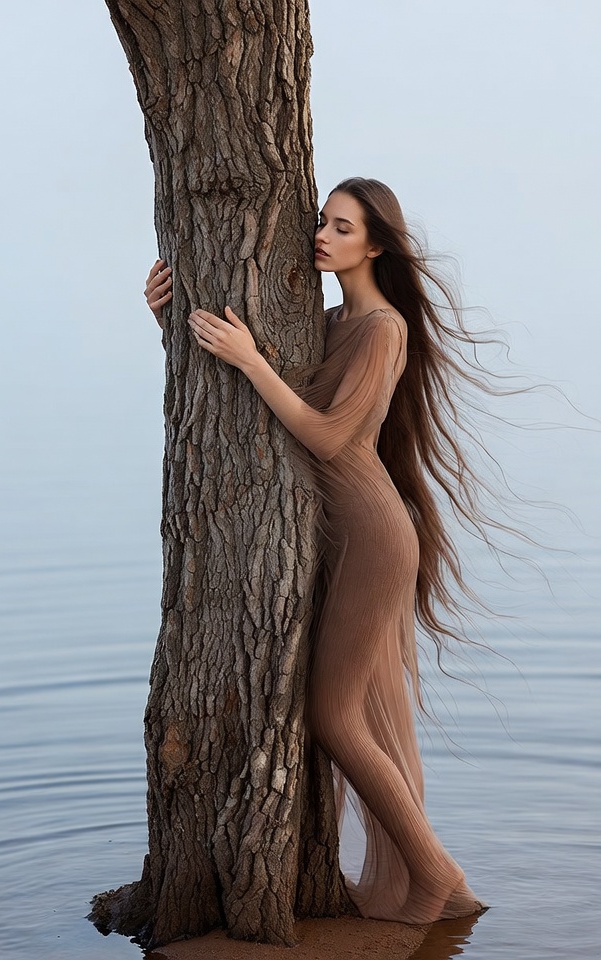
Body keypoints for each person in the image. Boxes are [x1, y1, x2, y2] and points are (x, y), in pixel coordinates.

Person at [144, 178, 488, 924]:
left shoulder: (384, 329)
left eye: (341, 226)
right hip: (335, 535)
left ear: (376, 244)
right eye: (320, 223)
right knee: (335, 710)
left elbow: (332, 437)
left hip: (370, 538)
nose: (321, 237)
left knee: (333, 717)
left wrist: (251, 360)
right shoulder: (328, 320)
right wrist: (173, 321)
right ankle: (446, 890)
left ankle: (434, 874)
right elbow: (256, 408)